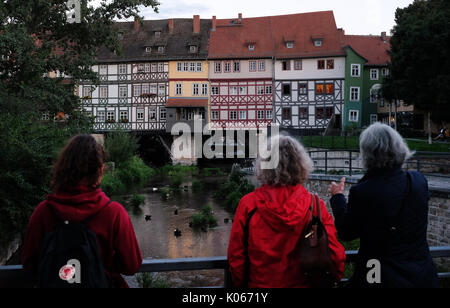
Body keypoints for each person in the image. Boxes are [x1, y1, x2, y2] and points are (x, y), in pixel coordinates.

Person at [22, 134, 142, 288]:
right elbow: (131, 265)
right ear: (99, 171)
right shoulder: (114, 213)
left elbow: (29, 263)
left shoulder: (43, 212)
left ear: (62, 168)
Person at [329, 123, 439, 288]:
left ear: (367, 153)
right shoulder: (417, 181)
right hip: (420, 274)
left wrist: (337, 198)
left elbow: (346, 232)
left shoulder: (364, 191)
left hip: (379, 274)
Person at [228, 134, 346, 288]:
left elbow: (236, 257)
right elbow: (335, 255)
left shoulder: (248, 205)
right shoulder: (314, 206)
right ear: (300, 165)